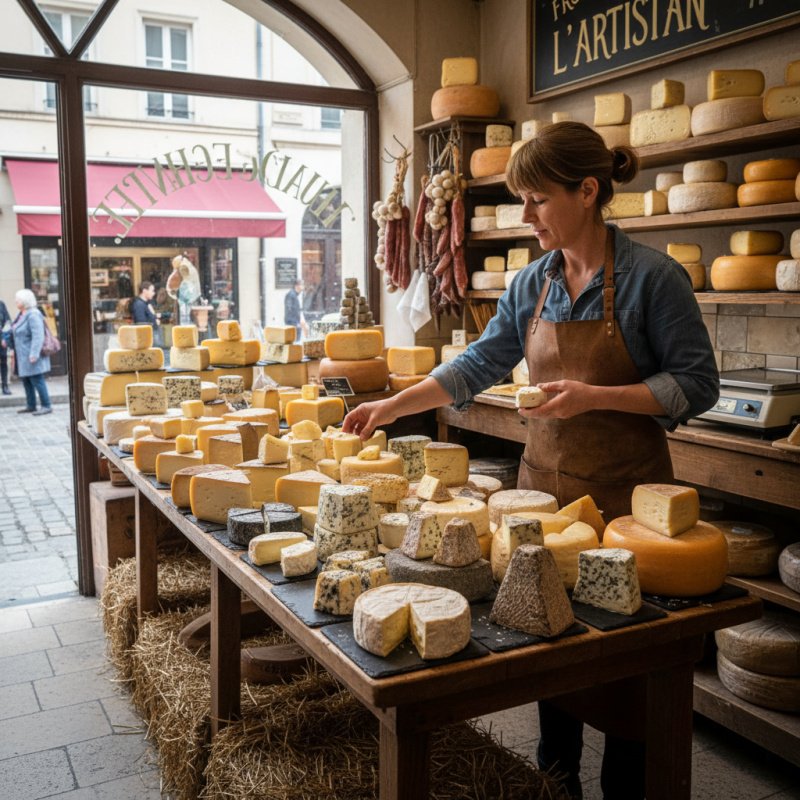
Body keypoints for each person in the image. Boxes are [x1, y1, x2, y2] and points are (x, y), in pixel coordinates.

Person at [342, 121, 719, 800]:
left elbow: (696, 386)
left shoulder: (652, 279)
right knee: (550, 648)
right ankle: (557, 783)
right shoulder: (533, 282)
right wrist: (395, 405)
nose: (525, 216)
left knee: (626, 676)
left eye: (537, 200)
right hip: (539, 498)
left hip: (628, 511)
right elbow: (480, 362)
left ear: (586, 190)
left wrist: (593, 397)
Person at [11, 289, 52, 415]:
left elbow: (38, 335)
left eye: (17, 299)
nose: (15, 301)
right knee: (26, 380)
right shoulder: (22, 314)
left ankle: (46, 405)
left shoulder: (33, 314)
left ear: (24, 301)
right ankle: (31, 405)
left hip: (32, 355)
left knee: (37, 380)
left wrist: (34, 354)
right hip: (22, 355)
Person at [0, 298, 11, 394]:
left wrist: (4, 338)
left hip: (1, 341)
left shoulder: (1, 304)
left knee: (3, 363)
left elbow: (7, 322)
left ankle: (5, 386)